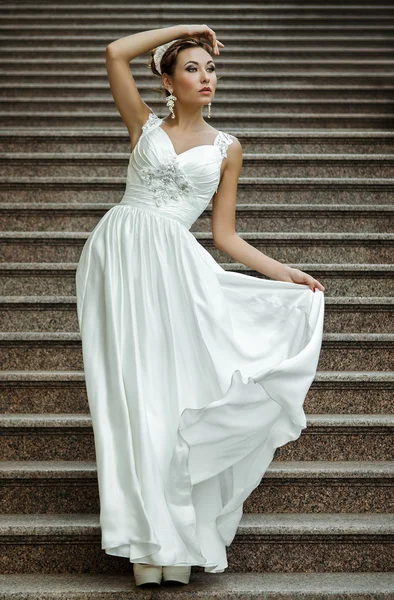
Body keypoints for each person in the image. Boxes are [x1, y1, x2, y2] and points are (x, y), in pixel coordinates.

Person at [75, 24, 325, 588]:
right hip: (116, 257)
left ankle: (177, 541)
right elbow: (114, 51)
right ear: (167, 80)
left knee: (172, 391)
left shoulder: (226, 147)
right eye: (192, 68)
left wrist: (283, 273)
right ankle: (143, 544)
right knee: (128, 395)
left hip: (174, 265)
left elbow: (226, 236)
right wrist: (185, 30)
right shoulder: (143, 125)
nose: (206, 77)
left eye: (210, 69)